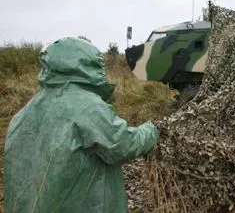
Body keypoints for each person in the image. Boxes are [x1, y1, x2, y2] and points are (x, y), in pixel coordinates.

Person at [3, 37, 159, 212]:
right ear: (89, 66)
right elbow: (122, 145)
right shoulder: (88, 107)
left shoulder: (24, 112)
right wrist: (152, 130)